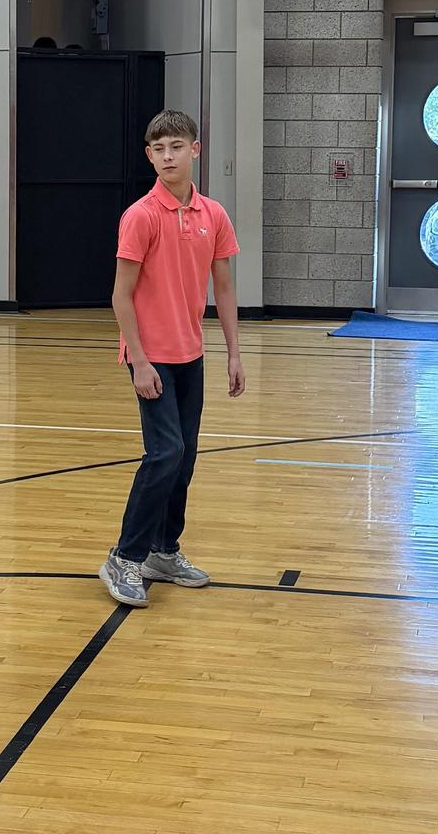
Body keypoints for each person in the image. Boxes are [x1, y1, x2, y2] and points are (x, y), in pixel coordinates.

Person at [99, 109, 246, 608]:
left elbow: (224, 288)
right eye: (159, 149)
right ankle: (124, 557)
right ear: (149, 155)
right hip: (151, 355)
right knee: (164, 454)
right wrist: (139, 361)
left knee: (184, 458)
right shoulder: (140, 216)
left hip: (191, 353)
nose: (168, 156)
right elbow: (121, 295)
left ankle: (163, 550)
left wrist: (234, 354)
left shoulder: (214, 215)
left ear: (195, 150)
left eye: (177, 147)